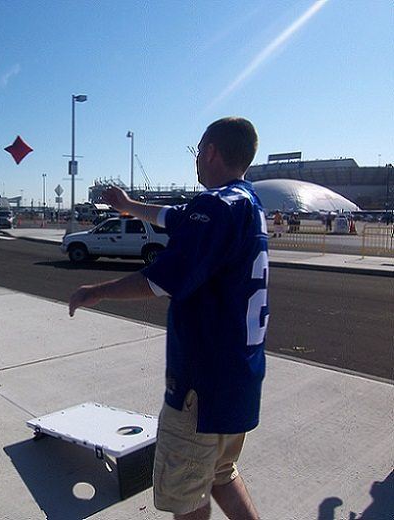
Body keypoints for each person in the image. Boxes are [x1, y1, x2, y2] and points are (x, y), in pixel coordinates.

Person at [69, 117, 266, 520]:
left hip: (201, 389)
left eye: (198, 151)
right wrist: (128, 207)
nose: (196, 160)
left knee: (186, 496)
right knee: (222, 474)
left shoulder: (214, 207)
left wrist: (97, 291)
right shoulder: (246, 204)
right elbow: (175, 216)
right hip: (240, 381)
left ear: (210, 151)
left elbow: (163, 280)